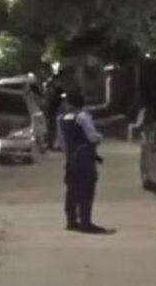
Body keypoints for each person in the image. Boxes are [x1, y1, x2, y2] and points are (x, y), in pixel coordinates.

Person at [58, 90, 112, 234]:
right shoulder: (83, 116)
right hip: (84, 157)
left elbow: (62, 141)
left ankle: (71, 221)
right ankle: (85, 222)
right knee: (87, 189)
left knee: (72, 189)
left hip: (70, 158)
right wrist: (100, 137)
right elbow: (92, 136)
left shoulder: (62, 118)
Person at [45, 74, 65, 150]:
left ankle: (56, 144)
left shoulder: (60, 89)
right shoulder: (50, 87)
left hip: (57, 110)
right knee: (51, 128)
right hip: (51, 110)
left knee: (57, 128)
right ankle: (50, 143)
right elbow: (48, 98)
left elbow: (63, 98)